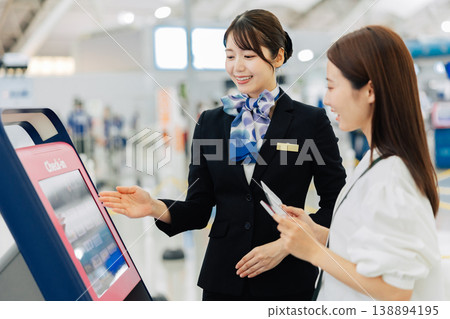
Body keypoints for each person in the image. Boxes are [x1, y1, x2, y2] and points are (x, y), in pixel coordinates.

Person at [99, 9, 346, 301]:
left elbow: (338, 205)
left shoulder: (310, 121)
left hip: (287, 279)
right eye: (230, 56)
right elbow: (199, 208)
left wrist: (288, 245)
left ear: (277, 57)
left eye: (249, 56)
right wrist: (154, 206)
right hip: (224, 279)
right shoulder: (211, 122)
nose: (237, 67)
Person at [274, 25, 444, 301]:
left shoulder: (393, 176)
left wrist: (314, 252)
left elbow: (396, 291)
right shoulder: (374, 159)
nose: (327, 100)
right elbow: (370, 247)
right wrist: (317, 234)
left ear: (369, 91)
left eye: (331, 86)